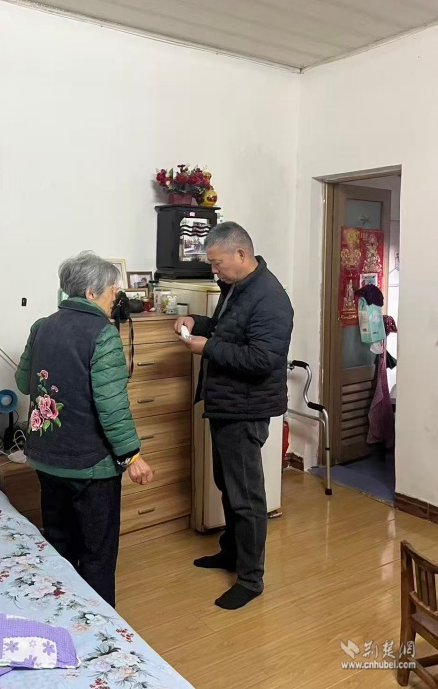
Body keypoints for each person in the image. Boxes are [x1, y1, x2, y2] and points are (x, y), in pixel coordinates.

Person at [15, 251, 154, 607]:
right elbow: (112, 407)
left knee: (60, 544)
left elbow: (23, 382)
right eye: (111, 289)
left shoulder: (41, 326)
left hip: (46, 459)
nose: (115, 296)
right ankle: (99, 626)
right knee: (97, 553)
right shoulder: (102, 335)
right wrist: (132, 456)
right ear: (92, 293)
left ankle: (62, 615)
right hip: (90, 466)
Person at [176, 222, 293, 611]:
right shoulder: (237, 288)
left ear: (241, 254)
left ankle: (251, 579)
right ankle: (231, 552)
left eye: (217, 263)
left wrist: (206, 348)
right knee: (225, 483)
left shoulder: (271, 298)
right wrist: (196, 323)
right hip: (226, 403)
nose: (214, 270)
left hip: (246, 408)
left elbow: (262, 359)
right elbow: (225, 332)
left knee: (246, 496)